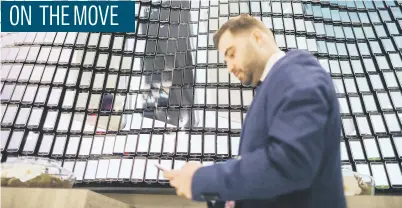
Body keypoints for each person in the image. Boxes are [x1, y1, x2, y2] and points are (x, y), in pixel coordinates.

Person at [163, 14, 346, 208]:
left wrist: (201, 180)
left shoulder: (297, 72)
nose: (230, 67)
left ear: (258, 38)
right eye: (226, 61)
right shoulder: (276, 85)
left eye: (231, 54)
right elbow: (266, 179)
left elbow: (289, 164)